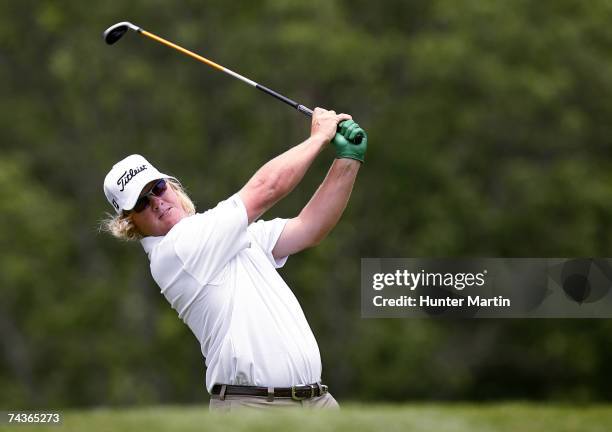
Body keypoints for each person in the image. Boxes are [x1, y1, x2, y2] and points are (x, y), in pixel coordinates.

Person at [101, 108, 367, 411]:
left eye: (157, 188)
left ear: (171, 185)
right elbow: (265, 189)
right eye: (141, 203)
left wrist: (347, 161)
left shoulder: (227, 234)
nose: (157, 203)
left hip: (317, 402)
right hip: (254, 407)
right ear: (131, 224)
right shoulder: (176, 249)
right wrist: (319, 137)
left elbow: (309, 228)